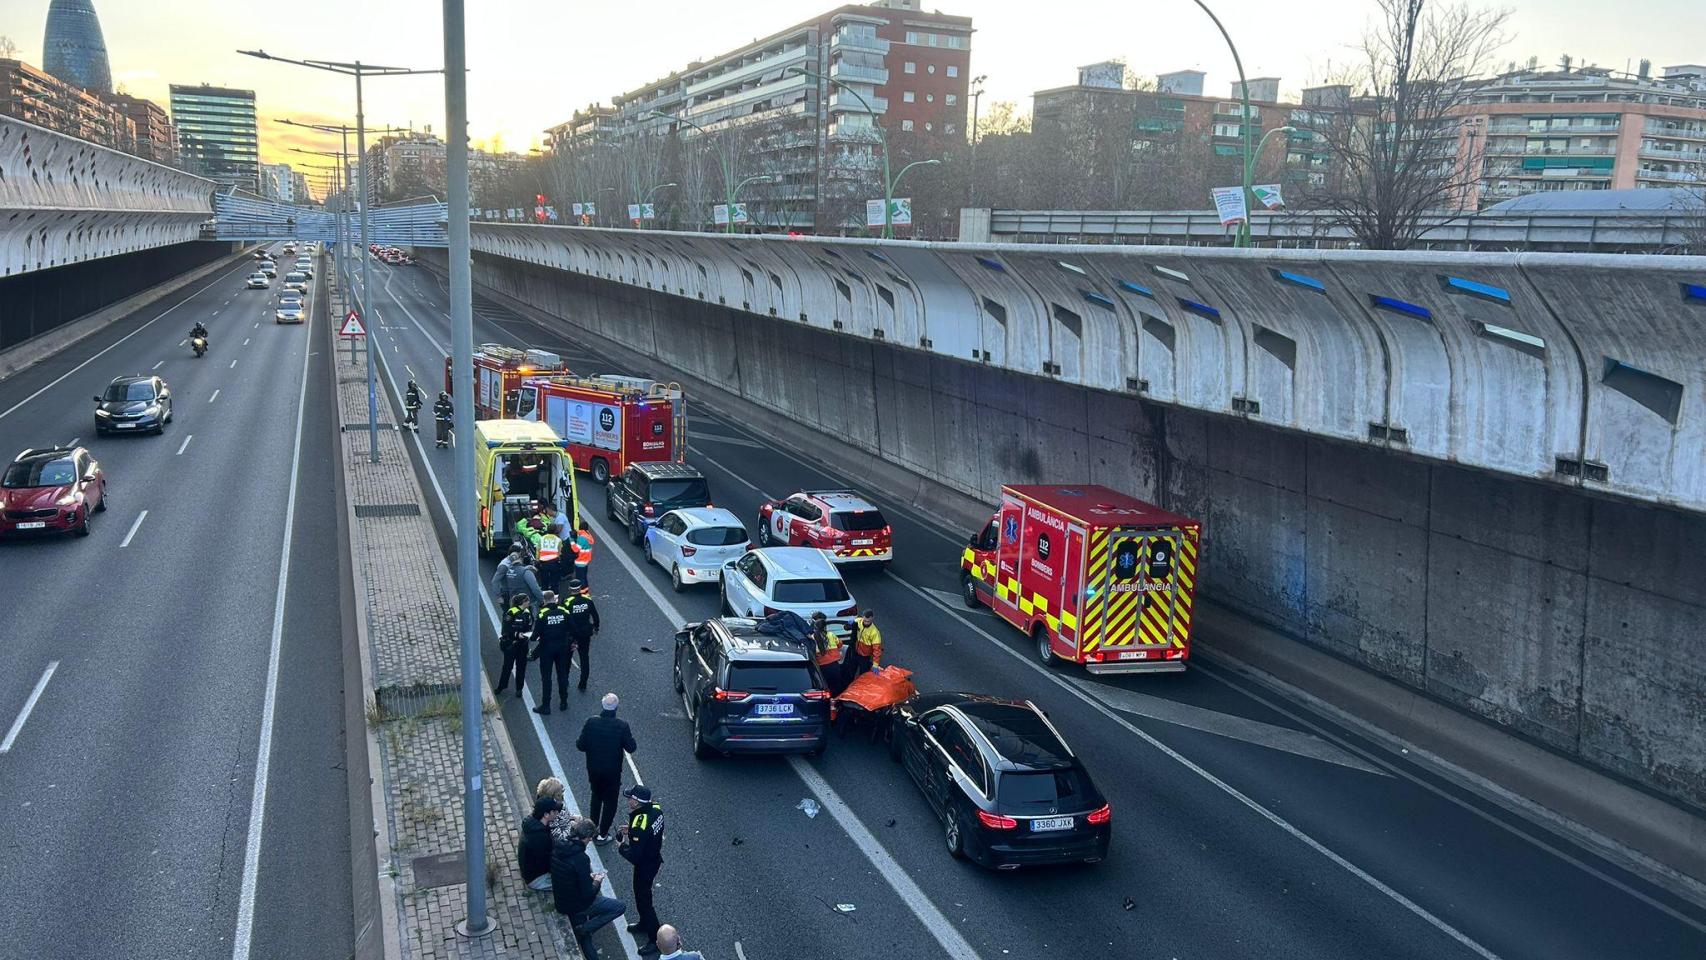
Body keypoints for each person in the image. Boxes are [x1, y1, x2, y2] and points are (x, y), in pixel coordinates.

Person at [552, 818, 626, 958]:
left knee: (586, 940)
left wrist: (586, 876)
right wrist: (597, 881)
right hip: (577, 904)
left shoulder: (559, 846)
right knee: (619, 907)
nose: (590, 841)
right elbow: (588, 894)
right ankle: (584, 928)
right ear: (585, 837)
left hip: (562, 900)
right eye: (590, 838)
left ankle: (584, 928)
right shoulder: (581, 858)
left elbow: (569, 875)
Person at [575, 692, 636, 843]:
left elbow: (580, 745)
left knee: (596, 797)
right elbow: (631, 747)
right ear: (616, 708)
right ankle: (603, 833)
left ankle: (591, 830)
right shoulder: (622, 726)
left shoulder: (591, 722)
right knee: (610, 802)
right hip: (612, 773)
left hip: (593, 770)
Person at [617, 784, 665, 951]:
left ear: (636, 803)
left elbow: (635, 856)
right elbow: (649, 831)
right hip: (654, 858)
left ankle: (655, 938)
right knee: (642, 896)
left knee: (644, 900)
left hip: (645, 865)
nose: (628, 799)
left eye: (630, 797)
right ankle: (644, 922)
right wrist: (631, 830)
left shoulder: (640, 823)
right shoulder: (656, 809)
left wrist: (621, 846)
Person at [533, 590, 574, 714]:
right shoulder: (564, 611)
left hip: (547, 649)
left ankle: (546, 706)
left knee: (546, 678)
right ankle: (564, 702)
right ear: (555, 599)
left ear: (544, 600)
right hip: (562, 648)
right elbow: (572, 628)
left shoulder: (542, 614)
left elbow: (535, 635)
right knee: (562, 675)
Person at [564, 578, 601, 691]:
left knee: (567, 659)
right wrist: (596, 627)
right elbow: (595, 616)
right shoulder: (587, 600)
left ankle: (565, 681)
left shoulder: (567, 602)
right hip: (585, 633)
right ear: (580, 588)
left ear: (570, 589)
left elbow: (564, 618)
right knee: (584, 658)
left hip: (571, 635)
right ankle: (583, 683)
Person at [519, 795, 562, 891]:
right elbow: (550, 863)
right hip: (536, 879)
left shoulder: (532, 824)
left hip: (531, 870)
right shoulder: (540, 838)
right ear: (546, 814)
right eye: (554, 811)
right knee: (569, 882)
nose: (557, 813)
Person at [495, 592, 535, 697]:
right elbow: (505, 629)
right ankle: (501, 686)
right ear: (523, 602)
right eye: (527, 600)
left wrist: (527, 635)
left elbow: (529, 627)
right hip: (511, 644)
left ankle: (519, 689)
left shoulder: (527, 613)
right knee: (507, 666)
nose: (529, 602)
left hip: (523, 645)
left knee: (521, 667)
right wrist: (517, 634)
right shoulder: (511, 612)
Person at [490, 543, 543, 611]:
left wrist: (526, 567)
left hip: (512, 591)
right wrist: (499, 596)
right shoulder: (504, 565)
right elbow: (495, 581)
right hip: (506, 593)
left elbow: (516, 568)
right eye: (521, 553)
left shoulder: (512, 561)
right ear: (518, 554)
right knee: (509, 614)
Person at [811, 612, 846, 694]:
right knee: (837, 687)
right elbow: (840, 644)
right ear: (825, 627)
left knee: (825, 688)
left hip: (822, 668)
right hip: (834, 666)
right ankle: (836, 703)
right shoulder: (831, 635)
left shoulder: (812, 638)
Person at [847, 610, 883, 676]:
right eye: (865, 620)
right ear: (862, 617)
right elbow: (847, 627)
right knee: (850, 672)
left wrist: (875, 665)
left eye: (868, 621)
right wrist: (849, 624)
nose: (866, 623)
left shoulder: (875, 632)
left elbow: (877, 650)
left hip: (865, 657)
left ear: (872, 619)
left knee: (863, 675)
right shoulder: (858, 621)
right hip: (856, 652)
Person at [536, 522, 567, 595]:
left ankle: (545, 598)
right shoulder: (558, 540)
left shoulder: (542, 538)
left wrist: (537, 560)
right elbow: (560, 552)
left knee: (544, 582)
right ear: (555, 530)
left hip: (543, 562)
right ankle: (555, 599)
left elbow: (538, 550)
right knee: (554, 582)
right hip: (554, 562)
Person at [570, 521, 596, 589]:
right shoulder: (588, 535)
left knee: (580, 579)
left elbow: (576, 549)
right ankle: (586, 591)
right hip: (585, 560)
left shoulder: (581, 538)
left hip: (580, 561)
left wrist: (572, 540)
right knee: (584, 577)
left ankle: (582, 591)